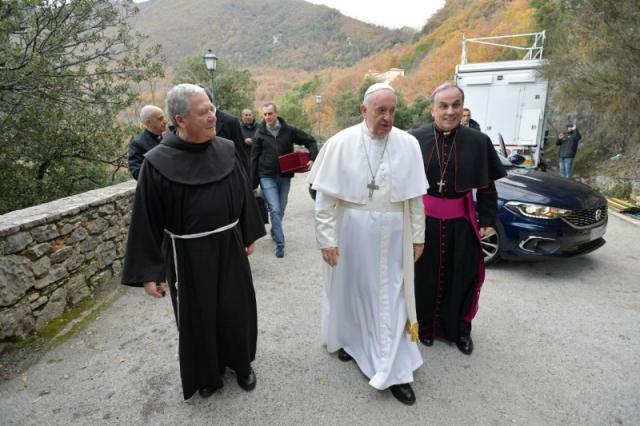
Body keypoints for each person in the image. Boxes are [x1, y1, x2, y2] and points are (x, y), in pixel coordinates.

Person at [121, 84, 266, 401]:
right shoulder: (156, 163)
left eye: (212, 109)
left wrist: (248, 233)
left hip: (229, 246)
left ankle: (241, 364)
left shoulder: (226, 148)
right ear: (180, 119)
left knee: (236, 307)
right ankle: (206, 374)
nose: (214, 116)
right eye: (204, 113)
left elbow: (242, 192)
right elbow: (146, 219)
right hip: (187, 253)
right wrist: (150, 272)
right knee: (197, 316)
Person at [308, 83, 428, 405]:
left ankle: (395, 371)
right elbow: (325, 200)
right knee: (351, 291)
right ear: (364, 110)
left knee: (392, 296)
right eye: (380, 111)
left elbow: (416, 198)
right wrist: (326, 240)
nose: (387, 118)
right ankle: (350, 341)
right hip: (352, 232)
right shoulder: (340, 142)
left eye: (392, 111)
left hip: (395, 234)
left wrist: (419, 235)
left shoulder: (409, 144)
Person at [409, 82, 506, 356]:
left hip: (461, 222)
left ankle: (459, 331)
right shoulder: (414, 139)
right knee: (423, 277)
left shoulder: (478, 141)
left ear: (462, 107)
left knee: (462, 276)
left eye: (456, 105)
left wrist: (487, 218)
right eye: (443, 105)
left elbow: (487, 186)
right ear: (432, 109)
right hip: (423, 222)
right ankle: (425, 328)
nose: (450, 111)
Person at [251, 102, 318, 258]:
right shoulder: (259, 133)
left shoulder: (289, 130)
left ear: (276, 113)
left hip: (284, 175)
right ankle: (280, 244)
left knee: (280, 208)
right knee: (274, 208)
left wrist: (313, 158)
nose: (267, 117)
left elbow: (311, 141)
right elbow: (253, 158)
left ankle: (275, 230)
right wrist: (252, 183)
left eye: (270, 113)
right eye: (265, 114)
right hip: (266, 175)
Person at [127, 105, 167, 180]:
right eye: (160, 119)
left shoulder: (169, 137)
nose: (165, 121)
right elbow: (137, 172)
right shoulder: (137, 144)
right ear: (148, 122)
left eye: (164, 117)